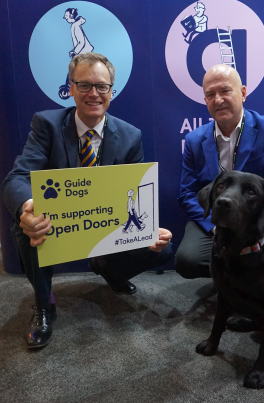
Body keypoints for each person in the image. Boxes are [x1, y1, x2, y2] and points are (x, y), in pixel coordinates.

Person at [1, 52, 172, 348]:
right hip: (57, 226)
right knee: (25, 224)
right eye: (84, 85)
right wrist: (28, 208)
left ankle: (106, 266)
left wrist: (147, 230)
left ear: (111, 92)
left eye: (102, 86)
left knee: (162, 251)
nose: (94, 93)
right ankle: (44, 304)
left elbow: (133, 195)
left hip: (106, 224)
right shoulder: (47, 125)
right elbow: (16, 179)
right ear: (70, 88)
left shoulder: (131, 136)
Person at [175, 64, 264, 279]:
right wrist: (214, 228)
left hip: (255, 216)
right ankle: (234, 277)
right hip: (217, 218)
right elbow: (187, 193)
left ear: (242, 93)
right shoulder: (195, 140)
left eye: (225, 91)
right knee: (187, 261)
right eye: (210, 94)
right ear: (205, 99)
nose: (218, 100)